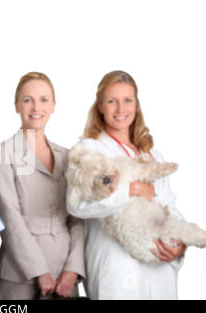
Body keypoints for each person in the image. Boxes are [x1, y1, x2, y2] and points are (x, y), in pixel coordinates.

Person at [66, 70, 186, 300]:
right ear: (100, 106)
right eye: (112, 101)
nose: (121, 110)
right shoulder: (89, 150)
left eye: (127, 100)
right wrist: (131, 191)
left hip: (160, 269)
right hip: (118, 271)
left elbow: (169, 204)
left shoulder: (153, 154)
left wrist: (180, 247)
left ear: (137, 105)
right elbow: (77, 205)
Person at [0, 72, 85, 300]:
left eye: (43, 99)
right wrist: (40, 272)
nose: (36, 107)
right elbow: (10, 218)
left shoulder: (70, 156)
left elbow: (78, 219)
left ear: (53, 105)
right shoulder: (2, 153)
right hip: (20, 274)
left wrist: (72, 270)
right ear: (16, 106)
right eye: (27, 100)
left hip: (65, 274)